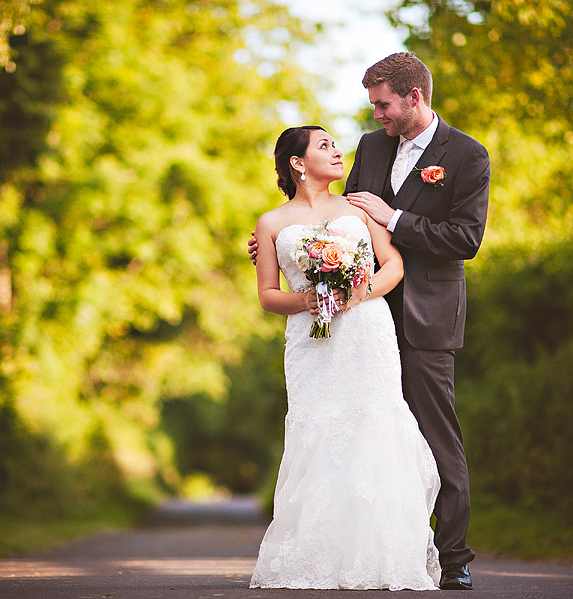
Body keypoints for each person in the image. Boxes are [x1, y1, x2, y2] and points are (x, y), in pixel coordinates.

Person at [249, 52, 489, 590]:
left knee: (433, 435)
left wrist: (396, 218)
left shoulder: (468, 155)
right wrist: (288, 246)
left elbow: (465, 239)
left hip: (425, 314)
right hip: (357, 325)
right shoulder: (374, 146)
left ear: (414, 98)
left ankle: (454, 558)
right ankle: (374, 545)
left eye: (382, 105)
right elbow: (339, 217)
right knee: (366, 432)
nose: (375, 115)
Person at [248, 125, 441, 591]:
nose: (337, 152)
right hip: (311, 341)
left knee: (374, 424)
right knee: (319, 428)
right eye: (325, 146)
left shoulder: (359, 205)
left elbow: (392, 264)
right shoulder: (271, 223)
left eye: (336, 144)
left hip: (366, 332)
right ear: (298, 163)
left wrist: (356, 295)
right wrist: (309, 302)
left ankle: (380, 554)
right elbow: (269, 296)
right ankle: (317, 553)